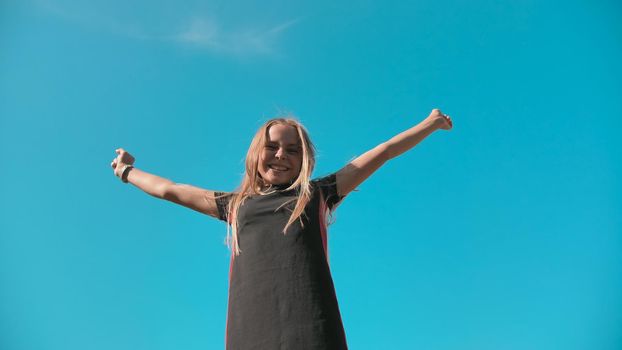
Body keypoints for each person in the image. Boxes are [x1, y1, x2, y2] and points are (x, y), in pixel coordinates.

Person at [110, 109, 453, 349]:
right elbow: (169, 188)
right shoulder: (235, 204)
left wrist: (430, 123)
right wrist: (126, 172)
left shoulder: (318, 193)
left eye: (292, 150)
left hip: (312, 326)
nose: (280, 155)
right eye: (272, 147)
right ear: (256, 153)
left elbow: (384, 152)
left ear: (304, 159)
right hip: (251, 327)